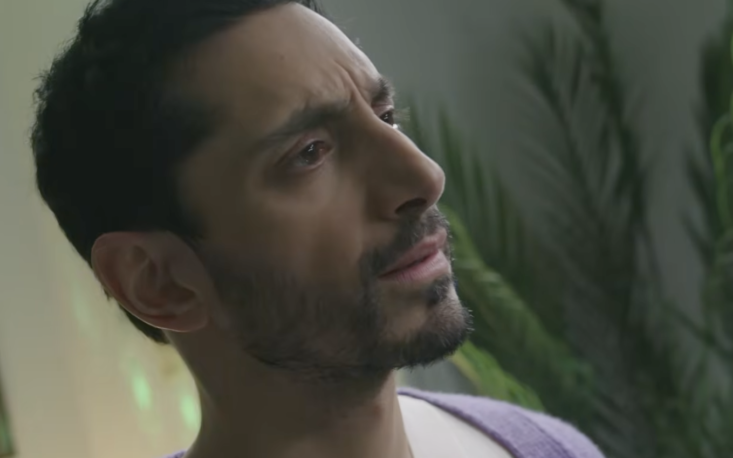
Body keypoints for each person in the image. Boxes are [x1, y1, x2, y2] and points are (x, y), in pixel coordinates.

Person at [31, 0, 605, 457]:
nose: (425, 176)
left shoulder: (548, 447)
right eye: (309, 153)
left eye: (386, 116)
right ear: (158, 281)